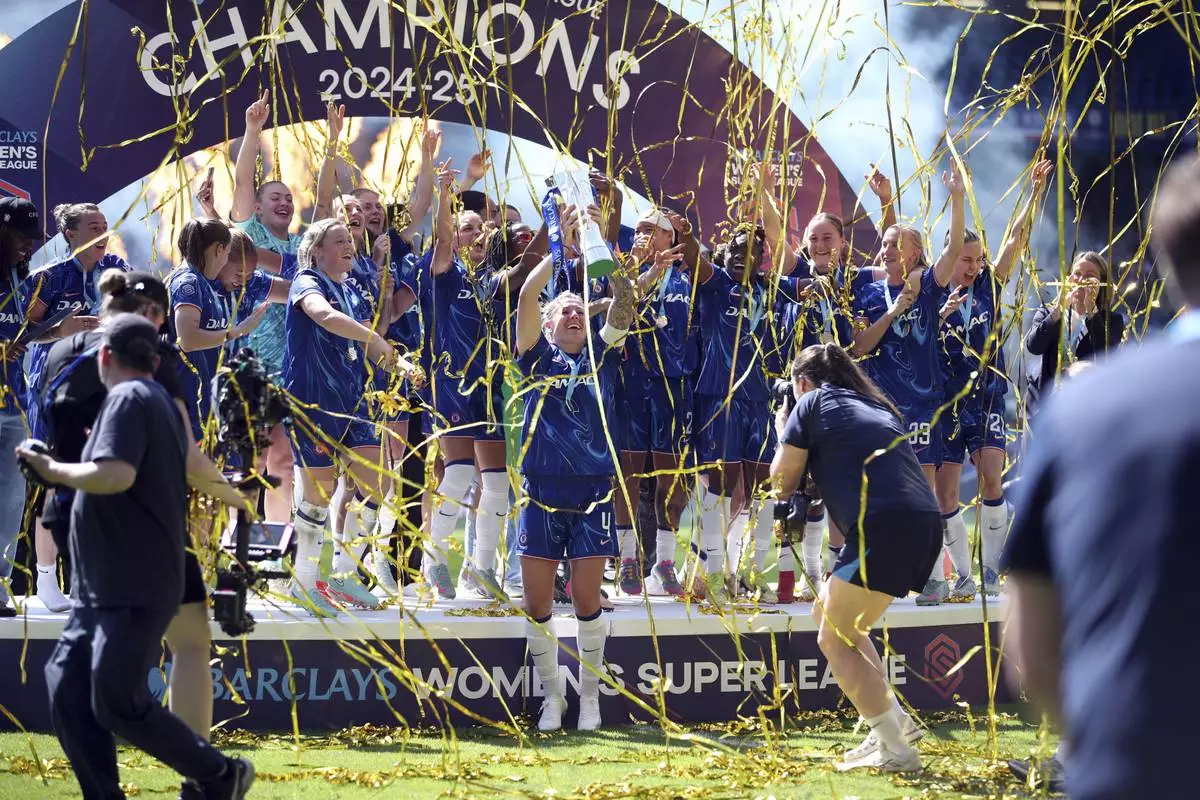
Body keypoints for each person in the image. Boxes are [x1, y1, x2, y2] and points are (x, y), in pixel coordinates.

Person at [1001, 153, 1200, 800]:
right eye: (1077, 276)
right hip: (1071, 455)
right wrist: (1066, 314)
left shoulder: (1115, 339)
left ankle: (1076, 750)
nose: (1084, 283)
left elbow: (1031, 640)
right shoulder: (1050, 320)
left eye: (1093, 278)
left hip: (1129, 760)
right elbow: (1035, 352)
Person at [17, 313, 255, 800]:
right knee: (68, 688)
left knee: (115, 700)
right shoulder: (155, 399)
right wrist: (239, 499)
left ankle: (219, 774)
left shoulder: (129, 398)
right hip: (106, 578)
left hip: (133, 579)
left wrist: (52, 469)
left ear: (105, 356)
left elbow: (116, 475)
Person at [771, 343, 940, 773]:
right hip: (921, 521)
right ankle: (895, 724)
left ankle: (897, 750)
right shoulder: (873, 404)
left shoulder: (810, 403)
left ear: (802, 383)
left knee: (832, 638)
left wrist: (783, 430)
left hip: (881, 526)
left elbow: (780, 484)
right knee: (829, 615)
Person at [514, 227, 634, 732]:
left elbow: (625, 305)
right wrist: (559, 248)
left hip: (592, 493)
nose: (573, 314)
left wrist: (599, 250)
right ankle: (552, 697)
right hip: (541, 493)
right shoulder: (534, 355)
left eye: (579, 309)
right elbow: (526, 293)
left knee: (587, 600)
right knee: (537, 604)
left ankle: (589, 698)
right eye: (563, 309)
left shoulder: (601, 354)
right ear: (547, 325)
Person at [282, 218, 423, 616]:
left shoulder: (352, 290)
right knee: (319, 495)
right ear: (317, 250)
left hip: (354, 400)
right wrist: (374, 337)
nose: (349, 246)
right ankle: (303, 582)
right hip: (314, 401)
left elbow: (368, 343)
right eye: (339, 241)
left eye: (350, 240)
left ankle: (346, 576)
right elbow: (324, 316)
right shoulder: (307, 281)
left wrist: (399, 365)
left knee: (377, 484)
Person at [422, 162, 543, 601]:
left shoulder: (493, 282)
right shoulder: (444, 272)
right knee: (457, 474)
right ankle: (435, 560)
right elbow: (441, 241)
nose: (476, 234)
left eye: (481, 229)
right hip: (452, 383)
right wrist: (445, 195)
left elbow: (526, 268)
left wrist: (553, 222)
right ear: (455, 237)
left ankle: (482, 566)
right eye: (467, 228)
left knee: (496, 484)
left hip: (490, 388)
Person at [934, 159, 1052, 600]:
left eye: (978, 259)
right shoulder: (931, 290)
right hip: (945, 403)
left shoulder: (989, 286)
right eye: (966, 259)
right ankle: (962, 576)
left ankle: (990, 571)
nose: (973, 267)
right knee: (946, 495)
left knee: (991, 478)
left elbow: (1016, 239)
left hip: (986, 397)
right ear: (950, 258)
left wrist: (1034, 194)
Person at [852, 161, 966, 606]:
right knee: (883, 494)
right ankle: (883, 571)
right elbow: (859, 347)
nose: (886, 250)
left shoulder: (930, 286)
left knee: (922, 492)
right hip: (880, 407)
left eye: (896, 246)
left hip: (920, 404)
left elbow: (953, 250)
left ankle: (935, 577)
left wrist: (957, 197)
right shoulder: (869, 292)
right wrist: (893, 311)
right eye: (883, 245)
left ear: (916, 254)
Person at [691, 221, 808, 606]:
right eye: (736, 250)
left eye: (752, 252)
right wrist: (684, 233)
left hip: (758, 400)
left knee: (763, 490)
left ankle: (754, 575)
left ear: (762, 260)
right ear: (724, 254)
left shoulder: (771, 289)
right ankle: (713, 576)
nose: (743, 256)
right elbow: (694, 257)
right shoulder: (715, 283)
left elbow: (808, 284)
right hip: (719, 398)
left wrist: (820, 287)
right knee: (720, 489)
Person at [231, 89, 305, 524]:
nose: (283, 202)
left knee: (284, 462)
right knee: (252, 459)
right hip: (251, 365)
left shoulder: (302, 247)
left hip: (292, 369)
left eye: (288, 198)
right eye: (274, 196)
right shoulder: (248, 235)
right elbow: (243, 183)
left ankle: (279, 546)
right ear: (256, 208)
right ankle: (236, 544)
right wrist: (252, 130)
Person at [613, 209, 692, 598]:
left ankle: (664, 560)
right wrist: (642, 268)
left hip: (673, 387)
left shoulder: (689, 276)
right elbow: (620, 307)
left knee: (671, 479)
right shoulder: (624, 272)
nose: (641, 235)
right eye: (639, 229)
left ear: (669, 236)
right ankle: (628, 558)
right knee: (627, 474)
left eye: (651, 229)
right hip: (630, 382)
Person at [168, 218, 267, 442]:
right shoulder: (188, 282)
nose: (225, 262)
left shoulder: (203, 281)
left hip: (210, 404)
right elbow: (187, 339)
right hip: (189, 404)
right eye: (228, 253)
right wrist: (237, 331)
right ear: (219, 250)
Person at [1023, 250, 1125, 412]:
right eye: (1077, 274)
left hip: (1085, 406)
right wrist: (1058, 310)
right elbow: (1033, 346)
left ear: (1102, 283)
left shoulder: (1112, 320)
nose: (1082, 280)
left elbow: (1106, 353)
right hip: (1043, 405)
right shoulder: (1048, 312)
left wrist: (1091, 310)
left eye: (1090, 276)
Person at [0, 196, 39, 617]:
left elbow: (24, 336)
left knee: (10, 504)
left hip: (13, 404)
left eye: (33, 239)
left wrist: (59, 329)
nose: (29, 245)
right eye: (21, 236)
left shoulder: (22, 280)